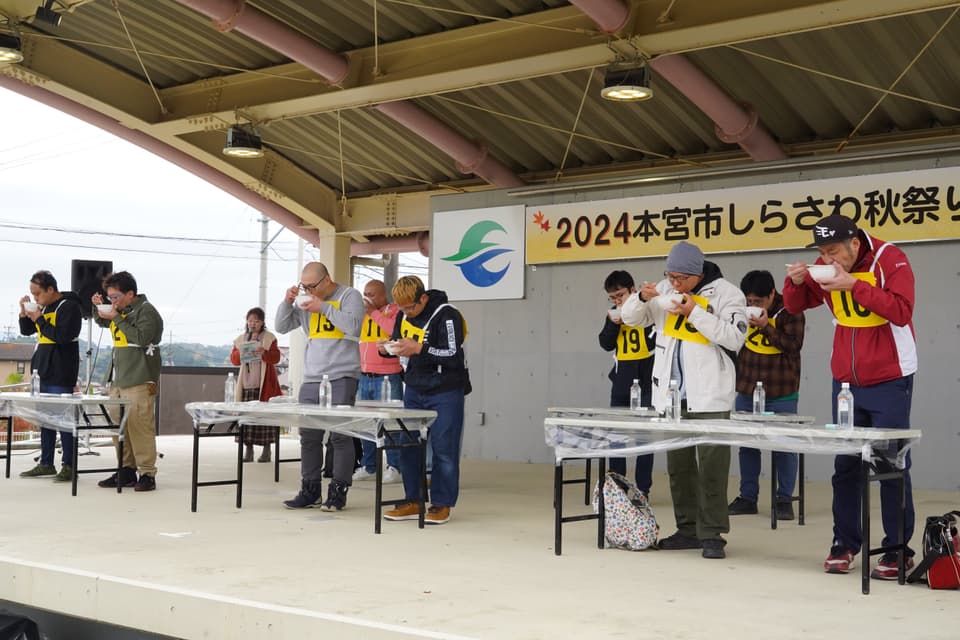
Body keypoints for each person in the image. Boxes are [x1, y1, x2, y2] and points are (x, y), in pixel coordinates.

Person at [784, 214, 918, 579]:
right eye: (821, 253)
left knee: (890, 463)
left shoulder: (890, 259)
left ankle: (896, 550)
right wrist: (795, 281)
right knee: (845, 466)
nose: (827, 260)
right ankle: (844, 544)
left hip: (891, 377)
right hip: (845, 381)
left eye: (833, 252)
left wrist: (852, 285)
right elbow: (795, 305)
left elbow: (902, 310)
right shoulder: (826, 268)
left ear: (855, 244)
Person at [621, 241, 747, 559]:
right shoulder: (663, 289)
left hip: (710, 395)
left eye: (680, 278)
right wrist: (641, 297)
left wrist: (694, 311)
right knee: (678, 466)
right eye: (670, 275)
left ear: (696, 274)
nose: (674, 283)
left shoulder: (728, 294)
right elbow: (630, 318)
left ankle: (713, 533)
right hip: (672, 396)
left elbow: (734, 337)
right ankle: (687, 528)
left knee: (712, 466)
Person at [275, 261, 363, 511]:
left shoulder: (349, 295)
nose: (309, 291)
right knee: (309, 435)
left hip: (342, 375)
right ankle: (310, 488)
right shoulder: (306, 302)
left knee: (340, 436)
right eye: (304, 286)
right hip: (312, 376)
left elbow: (354, 326)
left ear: (326, 280)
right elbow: (282, 326)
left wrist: (323, 307)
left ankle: (338, 490)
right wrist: (287, 302)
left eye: (312, 286)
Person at [382, 276, 469, 526]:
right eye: (402, 308)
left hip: (445, 391)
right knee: (409, 446)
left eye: (411, 307)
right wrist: (387, 348)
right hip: (414, 388)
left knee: (444, 449)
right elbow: (401, 342)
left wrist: (419, 349)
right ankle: (413, 499)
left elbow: (453, 353)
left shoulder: (447, 314)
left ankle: (442, 504)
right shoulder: (403, 314)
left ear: (423, 297)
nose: (407, 312)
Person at [728, 270, 805, 520]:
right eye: (749, 301)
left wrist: (765, 327)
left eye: (758, 302)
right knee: (748, 446)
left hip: (781, 389)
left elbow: (793, 346)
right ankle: (747, 497)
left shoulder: (791, 310)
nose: (753, 306)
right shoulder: (740, 308)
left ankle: (784, 499)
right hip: (748, 386)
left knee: (784, 446)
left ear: (772, 294)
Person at [92, 271, 163, 492]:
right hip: (118, 378)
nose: (112, 301)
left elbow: (142, 338)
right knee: (119, 427)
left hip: (140, 377)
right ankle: (125, 469)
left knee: (139, 426)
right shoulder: (121, 311)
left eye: (115, 297)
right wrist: (99, 308)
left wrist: (116, 317)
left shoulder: (147, 312)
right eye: (109, 297)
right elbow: (105, 322)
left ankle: (147, 473)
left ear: (130, 294)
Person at [17, 270, 83, 482]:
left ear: (51, 289)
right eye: (32, 294)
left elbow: (62, 337)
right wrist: (24, 314)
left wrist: (40, 318)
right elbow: (28, 331)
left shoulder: (69, 307)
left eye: (37, 294)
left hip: (61, 370)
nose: (35, 298)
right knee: (44, 418)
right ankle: (46, 462)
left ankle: (69, 465)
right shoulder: (44, 307)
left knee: (63, 419)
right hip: (42, 368)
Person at [598, 270, 655, 494]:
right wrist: (614, 324)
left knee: (644, 439)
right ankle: (618, 487)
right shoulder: (613, 314)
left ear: (633, 290)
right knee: (616, 437)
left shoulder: (649, 309)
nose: (617, 301)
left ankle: (643, 489)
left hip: (647, 382)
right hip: (621, 383)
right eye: (612, 298)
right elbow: (605, 343)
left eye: (620, 295)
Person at [353, 279, 403, 484]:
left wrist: (374, 312)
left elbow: (394, 330)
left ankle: (395, 466)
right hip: (365, 376)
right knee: (367, 424)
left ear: (383, 295)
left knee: (391, 423)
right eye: (365, 293)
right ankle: (369, 465)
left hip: (388, 377)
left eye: (372, 294)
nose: (367, 298)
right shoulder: (361, 316)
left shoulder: (394, 310)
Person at [229, 307, 283, 463]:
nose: (252, 323)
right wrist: (241, 351)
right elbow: (234, 360)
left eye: (256, 321)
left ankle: (267, 451)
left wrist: (263, 352)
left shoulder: (269, 338)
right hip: (245, 383)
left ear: (262, 322)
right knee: (246, 418)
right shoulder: (240, 339)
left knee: (265, 417)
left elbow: (276, 358)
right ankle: (248, 450)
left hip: (263, 383)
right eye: (250, 320)